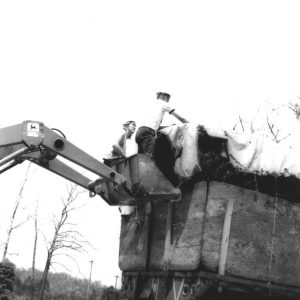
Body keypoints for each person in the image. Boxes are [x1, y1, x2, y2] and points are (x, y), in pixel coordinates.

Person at [135, 92, 188, 157]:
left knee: (141, 159)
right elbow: (180, 117)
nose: (167, 101)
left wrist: (169, 127)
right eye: (167, 99)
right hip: (148, 132)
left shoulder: (151, 105)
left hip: (139, 132)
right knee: (148, 158)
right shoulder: (162, 103)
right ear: (164, 96)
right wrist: (189, 124)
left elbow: (154, 126)